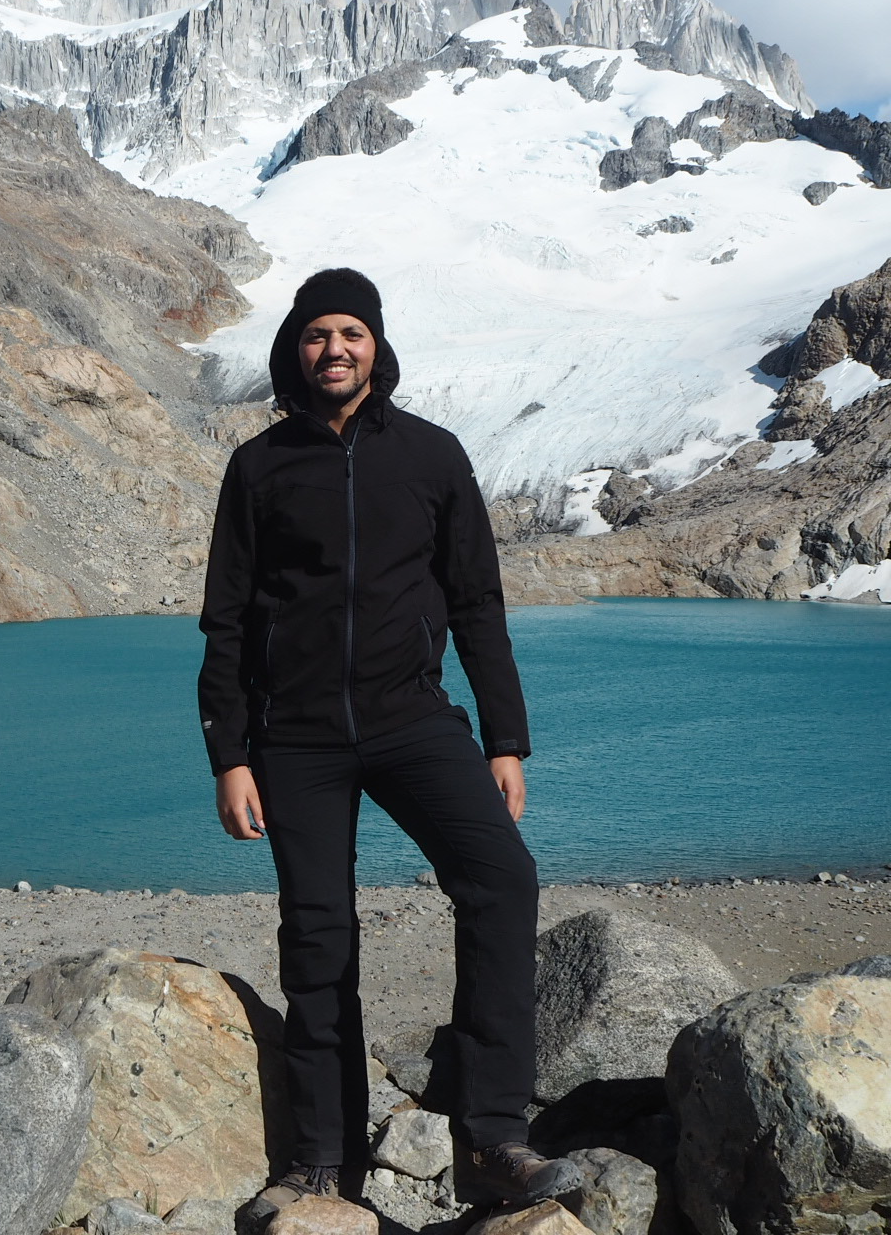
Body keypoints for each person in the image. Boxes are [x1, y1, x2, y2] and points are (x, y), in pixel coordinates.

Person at [197, 268, 575, 1222]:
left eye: (351, 333)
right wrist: (229, 755)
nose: (335, 349)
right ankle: (324, 1161)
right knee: (318, 935)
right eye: (319, 333)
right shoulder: (259, 468)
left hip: (413, 720)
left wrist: (505, 738)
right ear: (296, 348)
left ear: (376, 345)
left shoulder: (433, 457)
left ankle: (491, 1136)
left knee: (503, 878)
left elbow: (478, 602)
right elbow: (228, 624)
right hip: (297, 739)